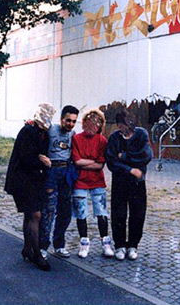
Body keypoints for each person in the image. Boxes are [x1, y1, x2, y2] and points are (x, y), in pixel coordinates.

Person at [4, 103, 56, 271]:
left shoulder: (43, 134)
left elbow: (42, 156)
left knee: (30, 214)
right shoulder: (28, 131)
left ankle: (27, 249)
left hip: (33, 180)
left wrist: (45, 163)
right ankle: (37, 254)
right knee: (36, 215)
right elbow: (27, 158)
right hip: (22, 180)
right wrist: (44, 164)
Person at [105, 111, 153, 261]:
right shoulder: (114, 138)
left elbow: (146, 155)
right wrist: (131, 169)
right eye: (124, 124)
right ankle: (119, 245)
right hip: (120, 182)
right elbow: (111, 161)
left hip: (137, 183)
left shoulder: (141, 134)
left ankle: (133, 245)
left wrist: (124, 156)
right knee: (118, 213)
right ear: (119, 125)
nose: (127, 127)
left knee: (137, 214)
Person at [71, 108, 114, 258]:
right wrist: (91, 162)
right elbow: (76, 161)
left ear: (100, 126)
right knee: (81, 212)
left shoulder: (102, 141)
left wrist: (85, 163)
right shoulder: (76, 139)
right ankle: (84, 243)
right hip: (80, 181)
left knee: (101, 212)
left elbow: (100, 165)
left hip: (97, 181)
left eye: (95, 125)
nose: (91, 128)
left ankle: (106, 243)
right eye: (88, 124)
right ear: (83, 123)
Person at [39, 105, 79, 259]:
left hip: (66, 173)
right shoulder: (50, 129)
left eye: (73, 121)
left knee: (65, 211)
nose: (70, 124)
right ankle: (42, 246)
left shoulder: (72, 134)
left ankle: (59, 245)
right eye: (68, 120)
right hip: (51, 172)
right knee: (48, 210)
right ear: (62, 118)